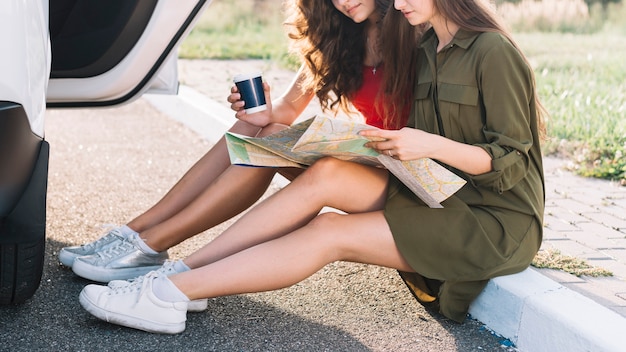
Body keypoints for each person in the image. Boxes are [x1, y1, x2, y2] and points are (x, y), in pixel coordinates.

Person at [76, 0, 547, 334]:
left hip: (481, 212)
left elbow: (510, 161)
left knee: (328, 226)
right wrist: (267, 116)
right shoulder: (423, 47)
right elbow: (289, 109)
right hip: (424, 184)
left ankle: (171, 286)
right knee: (263, 142)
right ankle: (164, 264)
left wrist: (426, 143)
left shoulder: (464, 45)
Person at [58, 0, 416, 284]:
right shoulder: (342, 38)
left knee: (272, 142)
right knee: (261, 131)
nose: (343, 2)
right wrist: (260, 112)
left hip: (412, 176)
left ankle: (154, 243)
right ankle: (137, 231)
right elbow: (288, 109)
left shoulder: (411, 29)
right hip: (374, 164)